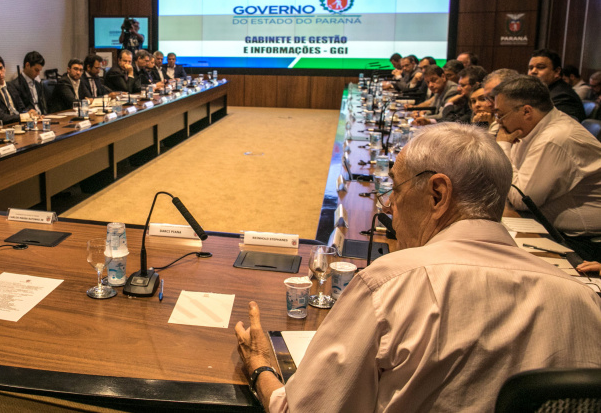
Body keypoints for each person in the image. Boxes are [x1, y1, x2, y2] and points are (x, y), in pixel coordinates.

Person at [235, 122, 601, 413]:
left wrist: (261, 368)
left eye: (394, 187)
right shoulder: (583, 300)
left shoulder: (389, 285)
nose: (390, 204)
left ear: (438, 194)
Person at [492, 75, 601, 239]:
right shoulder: (532, 128)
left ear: (527, 111)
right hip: (545, 224)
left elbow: (520, 197)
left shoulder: (555, 138)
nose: (499, 122)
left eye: (500, 115)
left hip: (580, 242)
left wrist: (503, 145)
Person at [0, 54, 38, 126]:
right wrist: (24, 116)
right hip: (4, 128)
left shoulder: (11, 86)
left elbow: (21, 108)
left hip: (19, 125)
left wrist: (30, 113)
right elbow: (0, 117)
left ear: (4, 68)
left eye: (1, 68)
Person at [528, 48, 586, 121]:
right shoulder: (543, 92)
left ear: (557, 71)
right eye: (530, 68)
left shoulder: (563, 97)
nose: (533, 71)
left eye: (540, 67)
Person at [11, 51, 49, 115]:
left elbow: (43, 106)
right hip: (29, 120)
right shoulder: (15, 85)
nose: (38, 74)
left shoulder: (38, 84)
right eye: (36, 70)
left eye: (39, 71)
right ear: (27, 65)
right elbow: (20, 109)